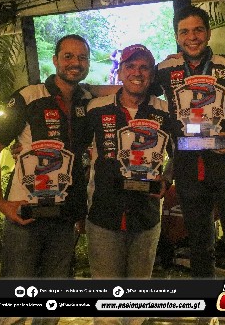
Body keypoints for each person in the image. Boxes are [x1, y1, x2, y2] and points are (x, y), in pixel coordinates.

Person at [0, 34, 93, 325]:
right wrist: (0, 202)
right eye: (68, 56)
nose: (75, 63)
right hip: (25, 214)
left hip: (64, 215)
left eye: (82, 57)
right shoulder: (28, 96)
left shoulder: (88, 101)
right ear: (55, 60)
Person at [155, 5, 225, 279]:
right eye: (184, 32)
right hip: (187, 168)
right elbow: (137, 91)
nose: (192, 37)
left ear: (209, 33)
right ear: (177, 36)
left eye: (198, 30)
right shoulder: (164, 69)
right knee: (199, 246)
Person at [86, 44, 172, 325]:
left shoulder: (165, 111)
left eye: (144, 67)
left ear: (151, 75)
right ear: (120, 72)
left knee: (136, 307)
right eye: (131, 66)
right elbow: (72, 145)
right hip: (103, 216)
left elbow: (182, 152)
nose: (137, 72)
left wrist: (167, 178)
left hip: (146, 218)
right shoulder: (96, 108)